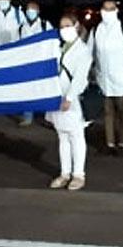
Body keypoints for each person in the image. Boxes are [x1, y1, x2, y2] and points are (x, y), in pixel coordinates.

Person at [87, 0, 123, 156]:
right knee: (107, 111)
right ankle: (110, 143)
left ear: (116, 11)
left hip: (121, 78)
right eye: (105, 9)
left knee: (122, 110)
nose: (108, 12)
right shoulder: (96, 30)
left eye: (111, 9)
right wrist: (91, 68)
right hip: (103, 77)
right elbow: (89, 51)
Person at [46, 13, 93, 191]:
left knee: (76, 136)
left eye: (68, 25)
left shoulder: (83, 50)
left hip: (72, 100)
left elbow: (80, 78)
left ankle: (78, 174)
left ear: (76, 26)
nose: (64, 29)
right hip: (57, 97)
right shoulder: (58, 48)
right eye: (61, 26)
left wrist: (69, 98)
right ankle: (64, 173)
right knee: (62, 137)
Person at [18, 0, 54, 127]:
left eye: (33, 9)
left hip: (41, 62)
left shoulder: (45, 25)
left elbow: (51, 43)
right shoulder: (22, 26)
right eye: (28, 9)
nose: (30, 12)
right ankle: (27, 116)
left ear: (38, 11)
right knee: (28, 90)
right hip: (27, 63)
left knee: (43, 89)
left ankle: (47, 117)